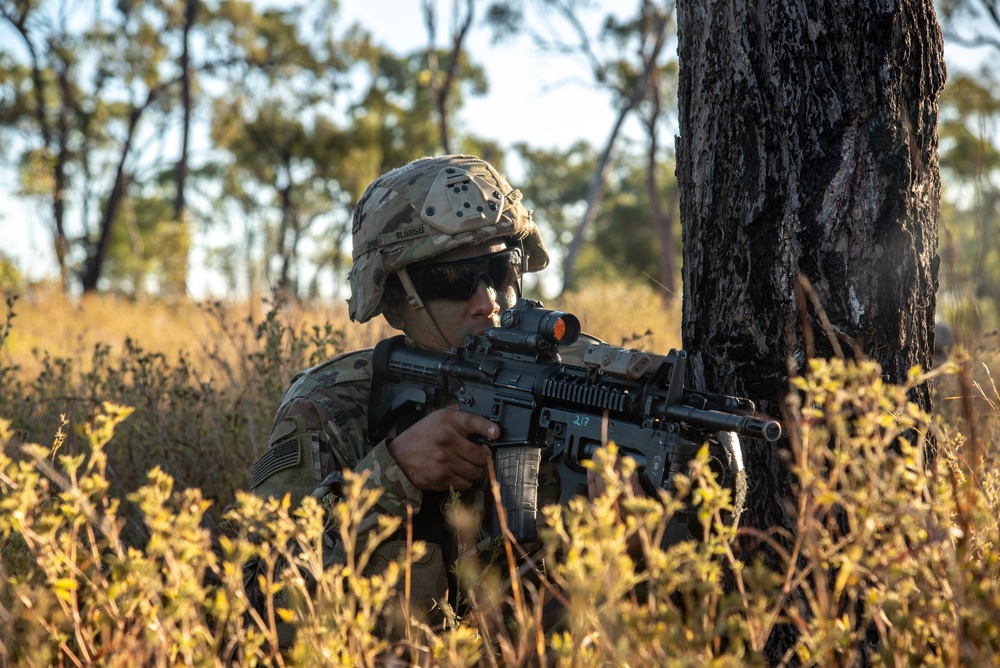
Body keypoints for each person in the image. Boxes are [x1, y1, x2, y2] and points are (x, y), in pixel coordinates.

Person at [249, 154, 587, 629]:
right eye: (452, 280)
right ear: (391, 301)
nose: (487, 302)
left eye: (501, 270)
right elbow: (263, 606)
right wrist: (392, 472)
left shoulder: (576, 389)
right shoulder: (330, 405)